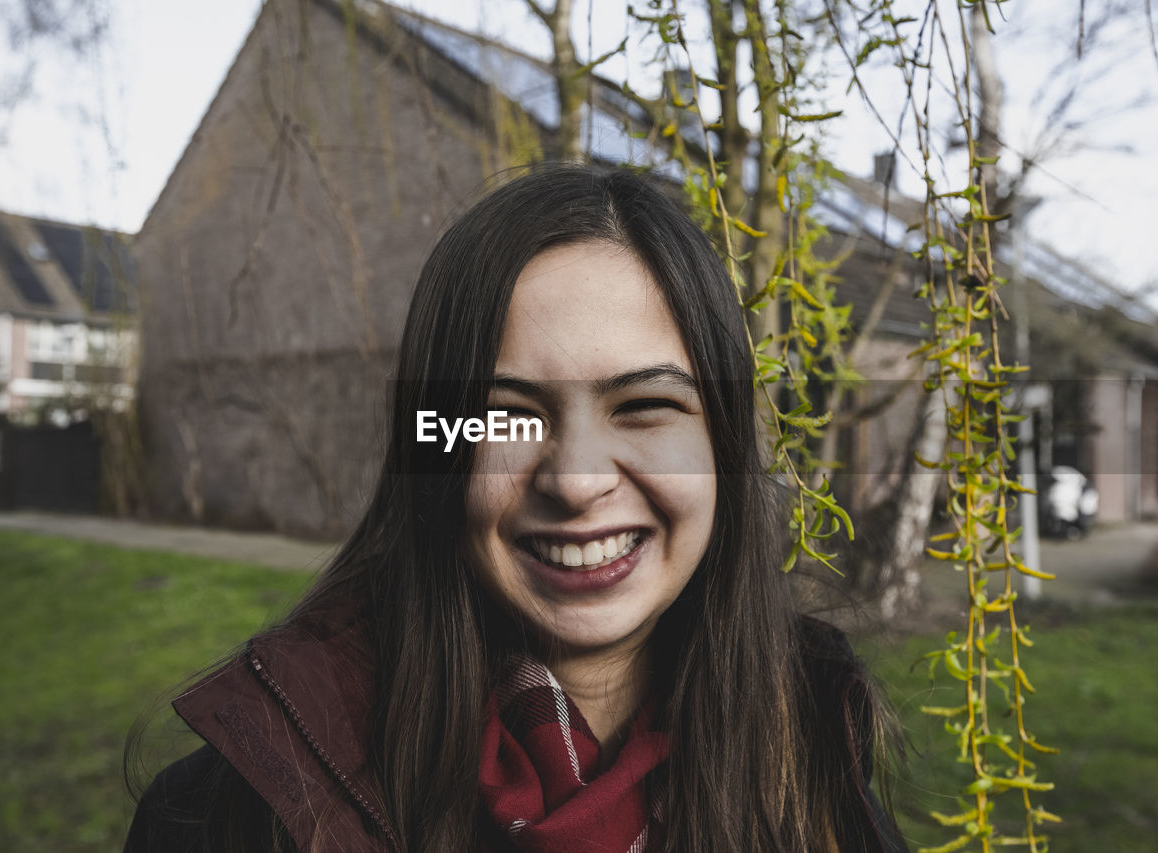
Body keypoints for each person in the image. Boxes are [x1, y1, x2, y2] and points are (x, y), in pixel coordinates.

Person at [124, 164, 908, 852]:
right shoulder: (239, 816)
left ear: (724, 447)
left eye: (642, 405)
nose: (574, 479)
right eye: (506, 415)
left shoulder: (812, 761)